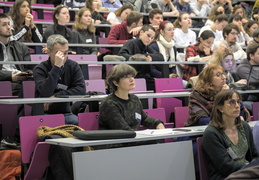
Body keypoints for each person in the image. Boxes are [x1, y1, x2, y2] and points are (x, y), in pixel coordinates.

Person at [202, 89, 258, 179]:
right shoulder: (211, 133)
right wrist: (250, 169)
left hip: (248, 174)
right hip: (226, 176)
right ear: (220, 108)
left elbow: (254, 155)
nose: (237, 106)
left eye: (238, 102)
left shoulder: (244, 126)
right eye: (232, 102)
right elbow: (226, 166)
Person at [33, 35, 86, 125]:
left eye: (65, 53)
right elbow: (45, 92)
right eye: (59, 54)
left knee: (80, 125)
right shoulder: (40, 69)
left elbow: (81, 89)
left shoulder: (73, 66)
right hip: (43, 114)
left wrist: (56, 96)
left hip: (65, 114)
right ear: (49, 52)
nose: (63, 57)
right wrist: (57, 67)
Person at [0, 13, 33, 146]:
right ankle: (15, 134)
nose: (9, 27)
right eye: (4, 25)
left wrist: (25, 74)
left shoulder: (21, 47)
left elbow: (29, 68)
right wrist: (9, 77)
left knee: (32, 85)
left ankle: (13, 135)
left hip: (21, 81)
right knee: (27, 92)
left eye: (9, 24)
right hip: (4, 82)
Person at [99, 64, 165, 130]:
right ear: (116, 82)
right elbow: (123, 129)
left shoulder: (134, 99)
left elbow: (143, 118)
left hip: (134, 137)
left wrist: (157, 123)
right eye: (126, 77)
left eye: (132, 76)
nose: (132, 79)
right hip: (120, 139)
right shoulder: (109, 103)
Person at [118, 24, 164, 90]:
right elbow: (121, 55)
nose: (149, 39)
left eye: (152, 38)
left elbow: (160, 57)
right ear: (141, 32)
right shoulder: (131, 43)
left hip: (145, 77)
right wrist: (138, 58)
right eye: (148, 36)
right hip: (132, 77)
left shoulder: (147, 47)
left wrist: (149, 57)